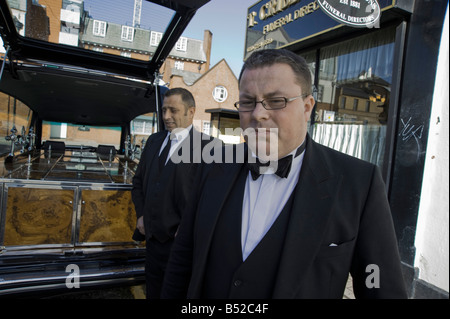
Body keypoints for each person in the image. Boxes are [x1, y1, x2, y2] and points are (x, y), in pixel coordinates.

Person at [161, 49, 407, 299]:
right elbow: (183, 257)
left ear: (307, 107)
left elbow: (378, 281)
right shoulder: (213, 166)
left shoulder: (358, 183)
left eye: (276, 100)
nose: (258, 114)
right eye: (247, 102)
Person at [131, 87, 222, 299]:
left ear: (191, 112)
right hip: (152, 242)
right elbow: (138, 183)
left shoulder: (210, 147)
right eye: (164, 110)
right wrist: (141, 214)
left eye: (173, 110)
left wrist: (192, 226)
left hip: (183, 248)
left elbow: (214, 198)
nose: (166, 116)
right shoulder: (153, 142)